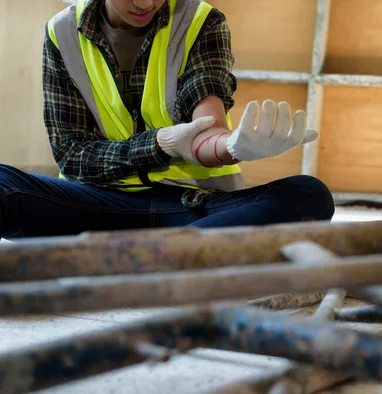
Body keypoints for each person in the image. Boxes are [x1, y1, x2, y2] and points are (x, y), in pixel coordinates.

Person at [0, 0, 335, 239]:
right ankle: (175, 258)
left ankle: (144, 258)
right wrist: (159, 144)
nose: (146, 2)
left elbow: (206, 125)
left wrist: (230, 146)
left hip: (195, 206)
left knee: (308, 195)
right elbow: (73, 156)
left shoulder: (201, 21)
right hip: (96, 202)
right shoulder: (62, 34)